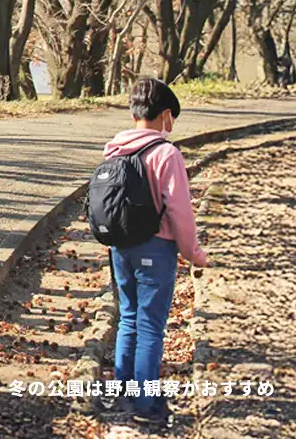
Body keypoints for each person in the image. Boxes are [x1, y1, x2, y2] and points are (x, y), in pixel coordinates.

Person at [103, 78, 209, 428]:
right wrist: (193, 253)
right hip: (156, 247)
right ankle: (145, 403)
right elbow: (180, 211)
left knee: (128, 318)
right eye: (172, 118)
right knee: (150, 326)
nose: (171, 125)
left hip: (121, 246)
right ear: (165, 115)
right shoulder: (166, 154)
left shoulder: (115, 148)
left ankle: (121, 391)